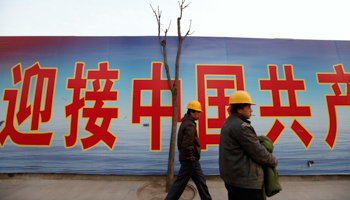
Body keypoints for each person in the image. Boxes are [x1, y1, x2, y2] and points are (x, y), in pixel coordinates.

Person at [219, 91, 278, 200]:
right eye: (249, 106)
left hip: (232, 179)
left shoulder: (228, 122)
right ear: (239, 109)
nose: (251, 110)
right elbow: (259, 153)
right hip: (245, 183)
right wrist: (273, 160)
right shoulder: (242, 126)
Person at [165, 100, 212, 200]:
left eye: (200, 112)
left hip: (192, 159)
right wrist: (190, 159)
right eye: (197, 112)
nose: (199, 114)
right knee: (180, 185)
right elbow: (186, 145)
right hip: (190, 160)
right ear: (191, 112)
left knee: (201, 182)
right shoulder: (190, 125)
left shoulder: (187, 122)